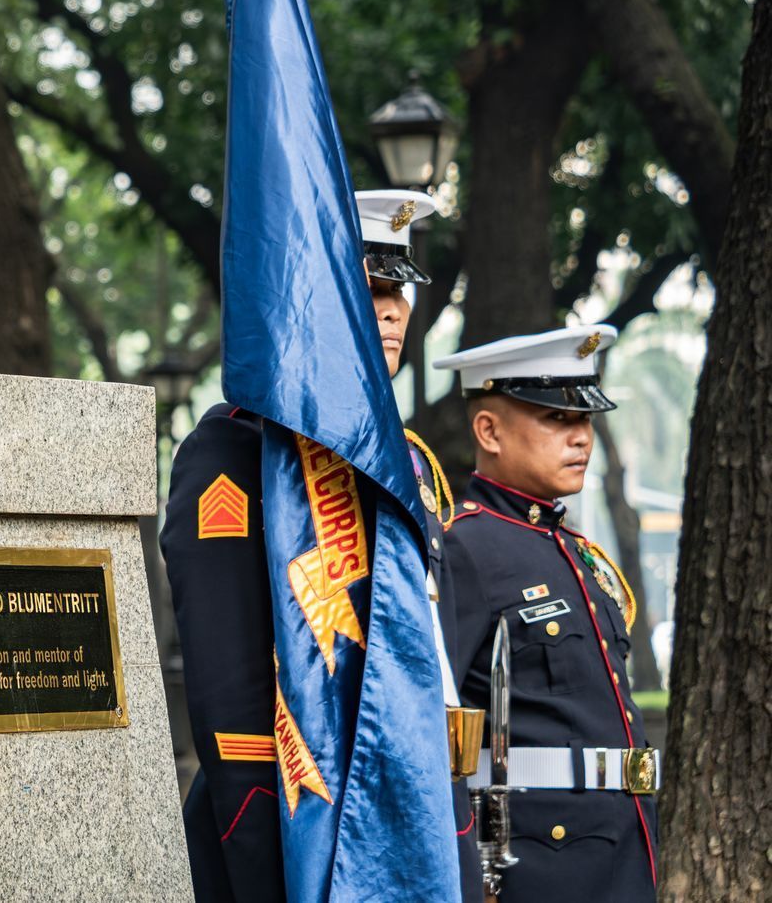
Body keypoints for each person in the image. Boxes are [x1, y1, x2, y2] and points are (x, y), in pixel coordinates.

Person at [161, 189, 476, 902]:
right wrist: (263, 851)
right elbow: (230, 692)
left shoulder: (408, 465)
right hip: (293, 833)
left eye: (400, 288)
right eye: (369, 286)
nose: (393, 308)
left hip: (418, 820)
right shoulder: (234, 453)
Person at [435, 325, 655, 902]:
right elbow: (430, 726)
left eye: (584, 420)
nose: (581, 437)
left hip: (622, 847)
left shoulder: (574, 552)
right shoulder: (464, 549)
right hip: (531, 864)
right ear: (489, 431)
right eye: (557, 420)